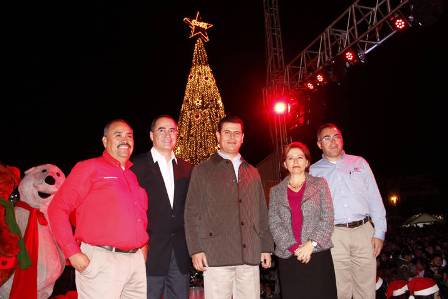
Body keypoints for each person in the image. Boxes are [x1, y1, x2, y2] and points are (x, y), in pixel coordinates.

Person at [48, 119, 149, 299]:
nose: (125, 139)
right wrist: (72, 252)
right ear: (105, 141)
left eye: (129, 136)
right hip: (102, 260)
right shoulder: (89, 168)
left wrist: (142, 247)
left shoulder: (132, 177)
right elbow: (57, 209)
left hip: (135, 262)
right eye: (118, 135)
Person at [184, 115, 274, 299]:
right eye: (227, 132)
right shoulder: (203, 170)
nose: (232, 137)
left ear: (243, 137)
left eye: (236, 133)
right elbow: (192, 212)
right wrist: (196, 249)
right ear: (218, 136)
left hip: (248, 255)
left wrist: (266, 247)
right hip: (216, 255)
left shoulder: (252, 171)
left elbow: (262, 213)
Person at [310, 122, 387, 299]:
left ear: (342, 140)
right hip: (334, 234)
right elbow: (313, 210)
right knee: (340, 289)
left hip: (364, 232)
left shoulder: (359, 162)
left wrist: (380, 232)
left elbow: (375, 198)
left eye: (336, 136)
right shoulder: (313, 171)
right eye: (327, 138)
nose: (333, 141)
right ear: (319, 144)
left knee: (366, 290)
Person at [131, 115, 193, 299]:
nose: (168, 134)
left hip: (180, 254)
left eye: (172, 130)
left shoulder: (188, 169)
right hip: (149, 252)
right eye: (161, 130)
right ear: (151, 135)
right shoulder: (136, 167)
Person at [268, 141, 337, 299]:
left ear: (307, 162)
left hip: (317, 254)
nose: (295, 161)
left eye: (300, 157)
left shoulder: (320, 185)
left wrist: (311, 244)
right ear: (285, 164)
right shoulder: (275, 191)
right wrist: (294, 247)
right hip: (289, 257)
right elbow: (274, 222)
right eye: (290, 158)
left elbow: (327, 218)